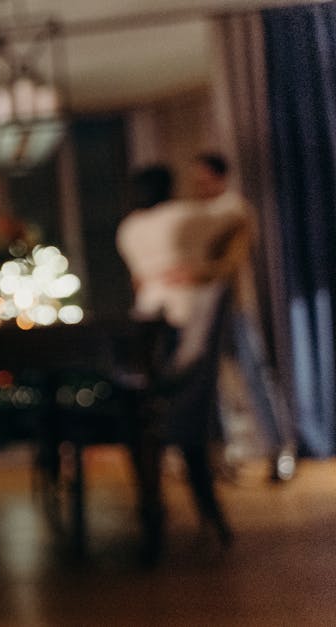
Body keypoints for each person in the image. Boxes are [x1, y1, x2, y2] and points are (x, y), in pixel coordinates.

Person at [117, 165, 234, 562]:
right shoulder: (186, 216)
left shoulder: (129, 229)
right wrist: (208, 268)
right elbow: (237, 216)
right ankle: (202, 502)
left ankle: (154, 514)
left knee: (142, 404)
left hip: (147, 324)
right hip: (182, 324)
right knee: (174, 409)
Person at [186, 154, 296, 482]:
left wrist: (193, 271)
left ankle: (279, 450)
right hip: (202, 309)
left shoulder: (235, 212)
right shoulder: (197, 215)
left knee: (255, 375)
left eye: (205, 180)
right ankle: (223, 454)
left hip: (233, 307)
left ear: (220, 178)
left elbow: (230, 260)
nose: (200, 187)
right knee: (212, 385)